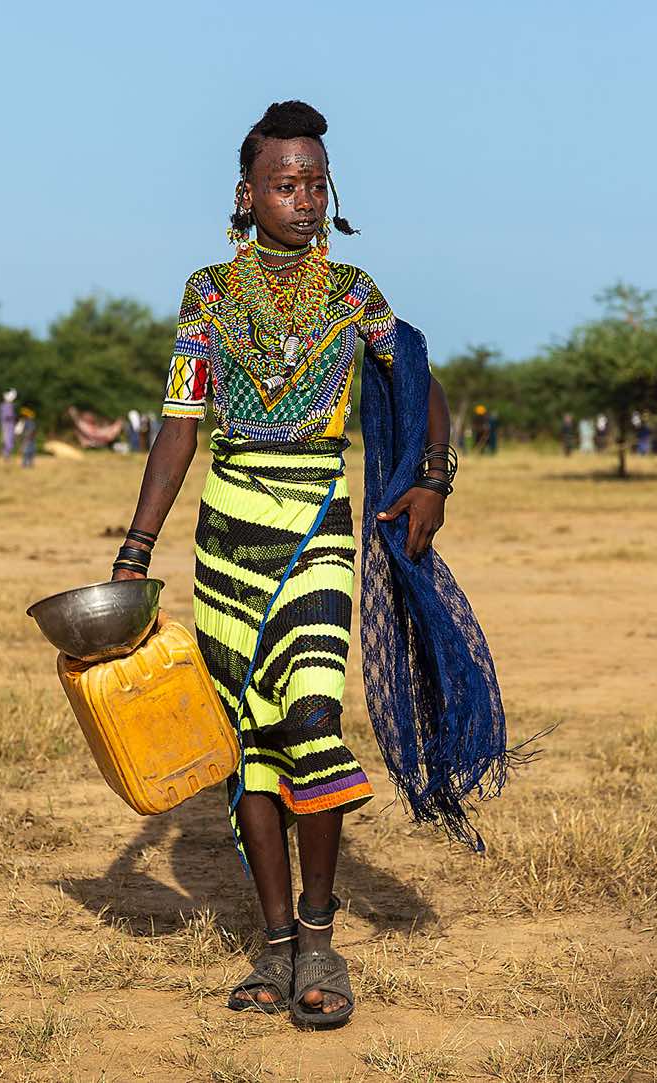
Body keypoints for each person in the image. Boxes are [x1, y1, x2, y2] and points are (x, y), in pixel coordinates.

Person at [112, 101, 507, 1027]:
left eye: (317, 183)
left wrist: (432, 479)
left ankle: (322, 938)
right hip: (226, 537)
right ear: (245, 195)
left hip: (318, 523)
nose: (306, 199)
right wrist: (135, 549)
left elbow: (417, 377)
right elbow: (180, 424)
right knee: (249, 742)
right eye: (286, 184)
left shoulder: (353, 291)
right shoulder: (208, 291)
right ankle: (276, 941)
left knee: (312, 716)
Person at [0, 389, 17, 461]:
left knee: (9, 441)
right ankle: (5, 456)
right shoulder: (6, 406)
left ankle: (6, 455)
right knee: (7, 441)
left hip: (8, 425)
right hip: (7, 425)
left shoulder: (4, 405)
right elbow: (7, 416)